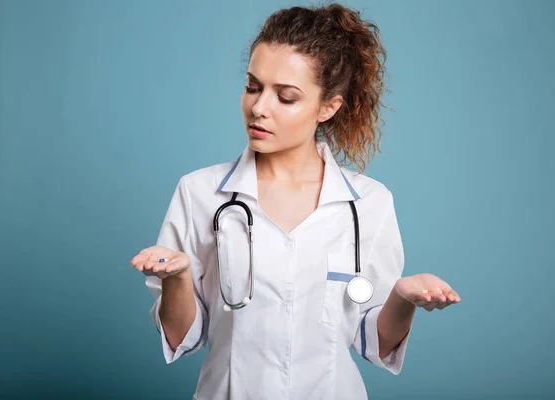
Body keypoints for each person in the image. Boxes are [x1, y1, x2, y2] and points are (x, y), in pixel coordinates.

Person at [131, 3, 460, 399]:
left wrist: (402, 298)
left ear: (328, 107)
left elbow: (375, 342)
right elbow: (184, 336)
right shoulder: (200, 193)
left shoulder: (369, 204)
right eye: (253, 86)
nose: (258, 107)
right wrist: (178, 278)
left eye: (285, 97)